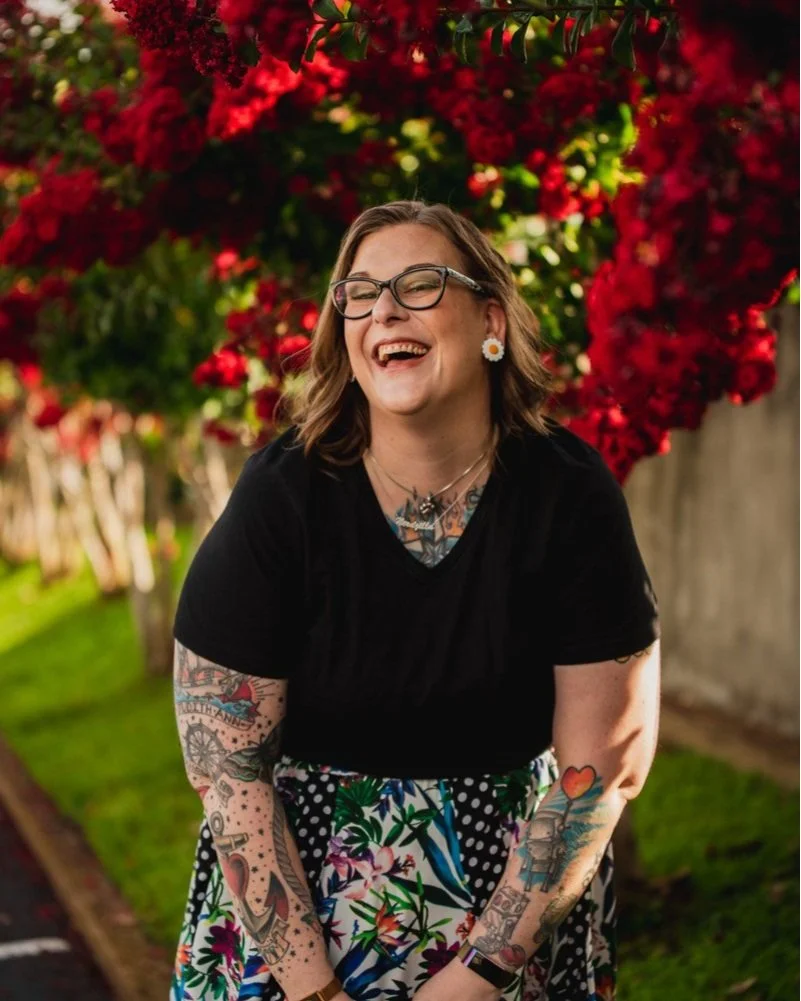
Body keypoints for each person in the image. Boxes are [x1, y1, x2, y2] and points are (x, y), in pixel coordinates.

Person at [170, 200, 661, 1001]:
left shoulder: (568, 496)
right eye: (358, 294)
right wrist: (314, 989)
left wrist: (476, 978)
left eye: (420, 285)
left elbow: (599, 770)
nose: (384, 309)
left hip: (512, 912)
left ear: (490, 318)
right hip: (295, 927)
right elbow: (226, 770)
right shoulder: (282, 495)